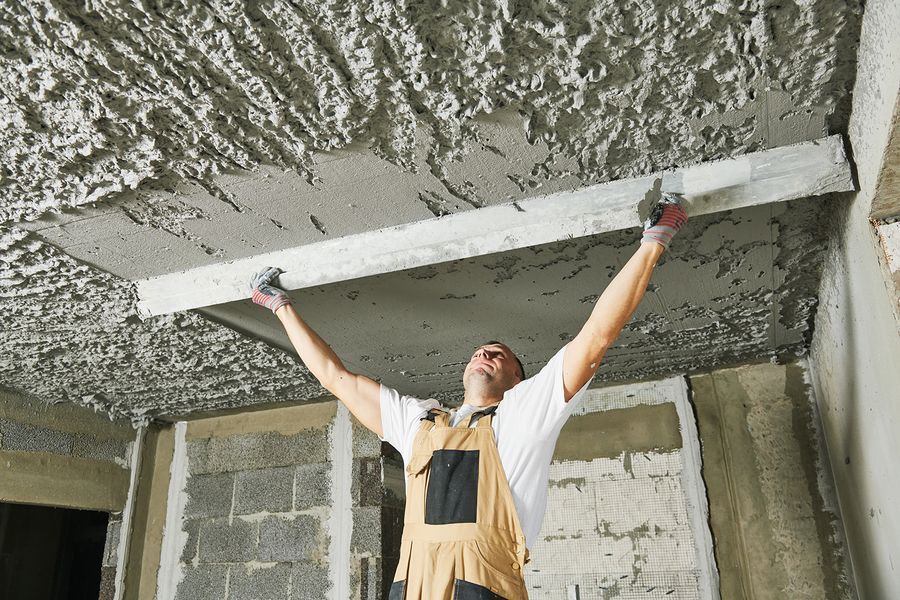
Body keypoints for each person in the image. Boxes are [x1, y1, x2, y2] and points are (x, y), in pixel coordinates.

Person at [250, 194, 688, 600]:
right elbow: (335, 378)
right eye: (480, 351)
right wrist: (278, 306)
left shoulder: (521, 415)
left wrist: (654, 240)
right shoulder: (419, 423)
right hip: (412, 585)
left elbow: (595, 339)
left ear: (518, 380)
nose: (484, 352)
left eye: (498, 355)